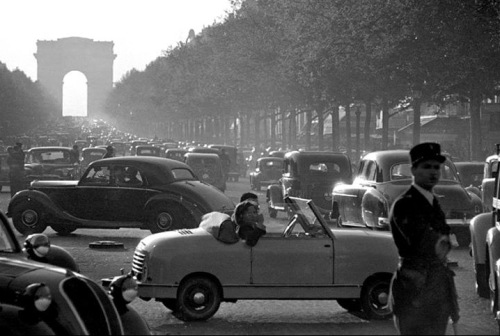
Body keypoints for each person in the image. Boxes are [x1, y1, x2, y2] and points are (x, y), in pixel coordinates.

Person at [388, 142, 459, 335]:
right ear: (413, 170)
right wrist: (439, 242)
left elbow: (442, 238)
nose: (433, 172)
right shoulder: (405, 204)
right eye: (426, 167)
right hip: (414, 290)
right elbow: (424, 241)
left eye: (436, 167)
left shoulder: (432, 202)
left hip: (436, 291)